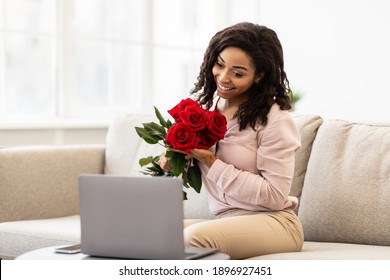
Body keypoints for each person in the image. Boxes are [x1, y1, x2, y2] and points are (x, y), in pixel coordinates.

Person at [159, 22, 303, 260]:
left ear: (259, 76)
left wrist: (213, 162)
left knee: (191, 239)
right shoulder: (206, 109)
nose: (224, 78)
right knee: (153, 232)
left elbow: (275, 195)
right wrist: (174, 159)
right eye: (220, 65)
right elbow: (196, 169)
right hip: (226, 220)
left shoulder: (274, 120)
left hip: (275, 223)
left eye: (238, 73)